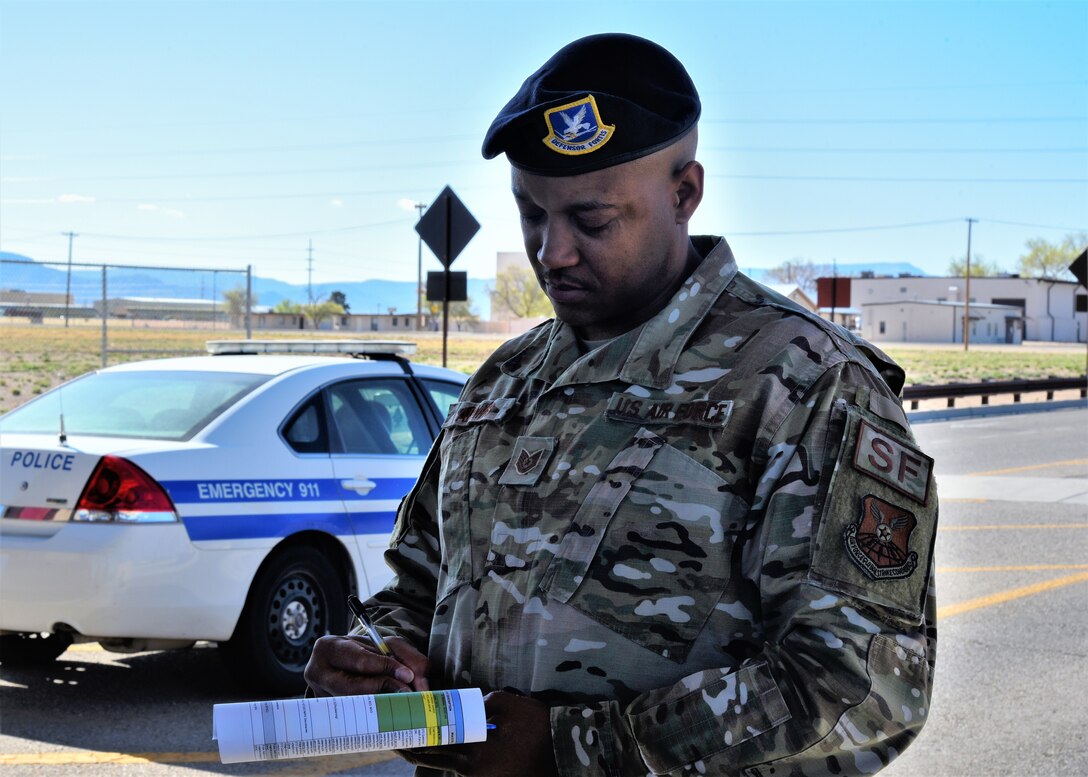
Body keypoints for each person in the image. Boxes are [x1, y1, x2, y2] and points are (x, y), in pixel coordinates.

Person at [306, 33, 937, 777]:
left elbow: (864, 681)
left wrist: (574, 746)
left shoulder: (801, 382)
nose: (552, 252)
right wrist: (379, 654)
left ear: (685, 193)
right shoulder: (503, 379)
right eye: (531, 214)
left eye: (592, 220)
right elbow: (422, 580)